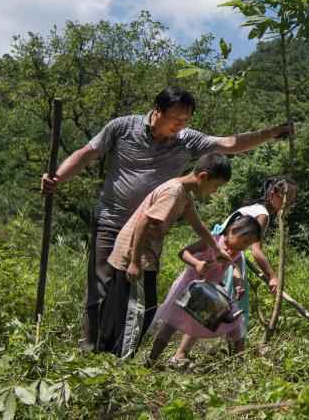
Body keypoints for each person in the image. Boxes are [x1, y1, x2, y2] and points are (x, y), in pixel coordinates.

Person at [39, 86, 293, 351]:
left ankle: (116, 353)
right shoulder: (122, 127)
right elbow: (87, 153)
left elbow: (230, 144)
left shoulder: (186, 142)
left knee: (137, 298)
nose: (180, 125)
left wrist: (271, 133)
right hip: (113, 221)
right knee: (102, 289)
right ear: (157, 111)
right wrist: (57, 177)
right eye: (176, 119)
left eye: (186, 120)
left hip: (151, 236)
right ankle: (90, 350)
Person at [98, 153, 233, 358]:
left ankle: (110, 354)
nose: (214, 192)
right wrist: (134, 263)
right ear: (203, 176)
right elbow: (144, 222)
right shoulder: (174, 192)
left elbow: (198, 225)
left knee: (131, 307)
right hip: (136, 255)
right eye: (216, 186)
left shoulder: (183, 193)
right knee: (140, 311)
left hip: (141, 253)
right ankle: (120, 357)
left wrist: (216, 248)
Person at [172, 176, 297, 361]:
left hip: (221, 255)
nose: (289, 203)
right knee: (225, 309)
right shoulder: (262, 215)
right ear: (273, 194)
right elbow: (255, 250)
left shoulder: (254, 209)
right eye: (286, 198)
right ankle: (235, 357)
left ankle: (223, 355)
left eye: (293, 200)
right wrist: (272, 276)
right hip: (227, 260)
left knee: (211, 308)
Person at [148, 213, 264, 367]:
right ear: (233, 230)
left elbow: (235, 268)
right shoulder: (213, 241)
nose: (243, 247)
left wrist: (238, 284)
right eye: (244, 241)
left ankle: (240, 362)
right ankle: (151, 360)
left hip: (210, 293)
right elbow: (183, 252)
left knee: (234, 321)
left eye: (248, 244)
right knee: (170, 324)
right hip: (189, 289)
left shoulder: (236, 253)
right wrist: (196, 263)